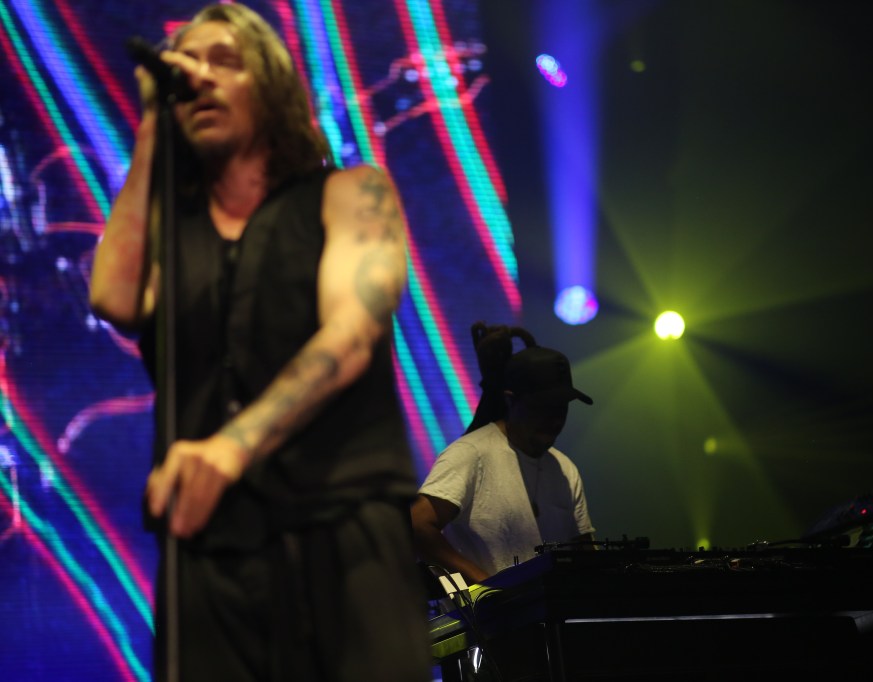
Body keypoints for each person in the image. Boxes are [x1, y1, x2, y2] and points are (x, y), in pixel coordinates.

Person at [88, 4, 429, 681]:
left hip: (343, 529)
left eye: (223, 61)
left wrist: (232, 447)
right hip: (211, 551)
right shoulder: (175, 236)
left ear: (270, 87)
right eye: (187, 66)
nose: (198, 77)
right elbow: (115, 298)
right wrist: (153, 121)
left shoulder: (350, 193)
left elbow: (352, 333)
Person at [411, 323, 595, 584]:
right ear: (510, 400)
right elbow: (417, 525)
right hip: (488, 612)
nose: (555, 419)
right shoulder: (470, 454)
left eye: (561, 407)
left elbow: (584, 550)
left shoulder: (565, 469)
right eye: (543, 406)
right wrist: (488, 588)